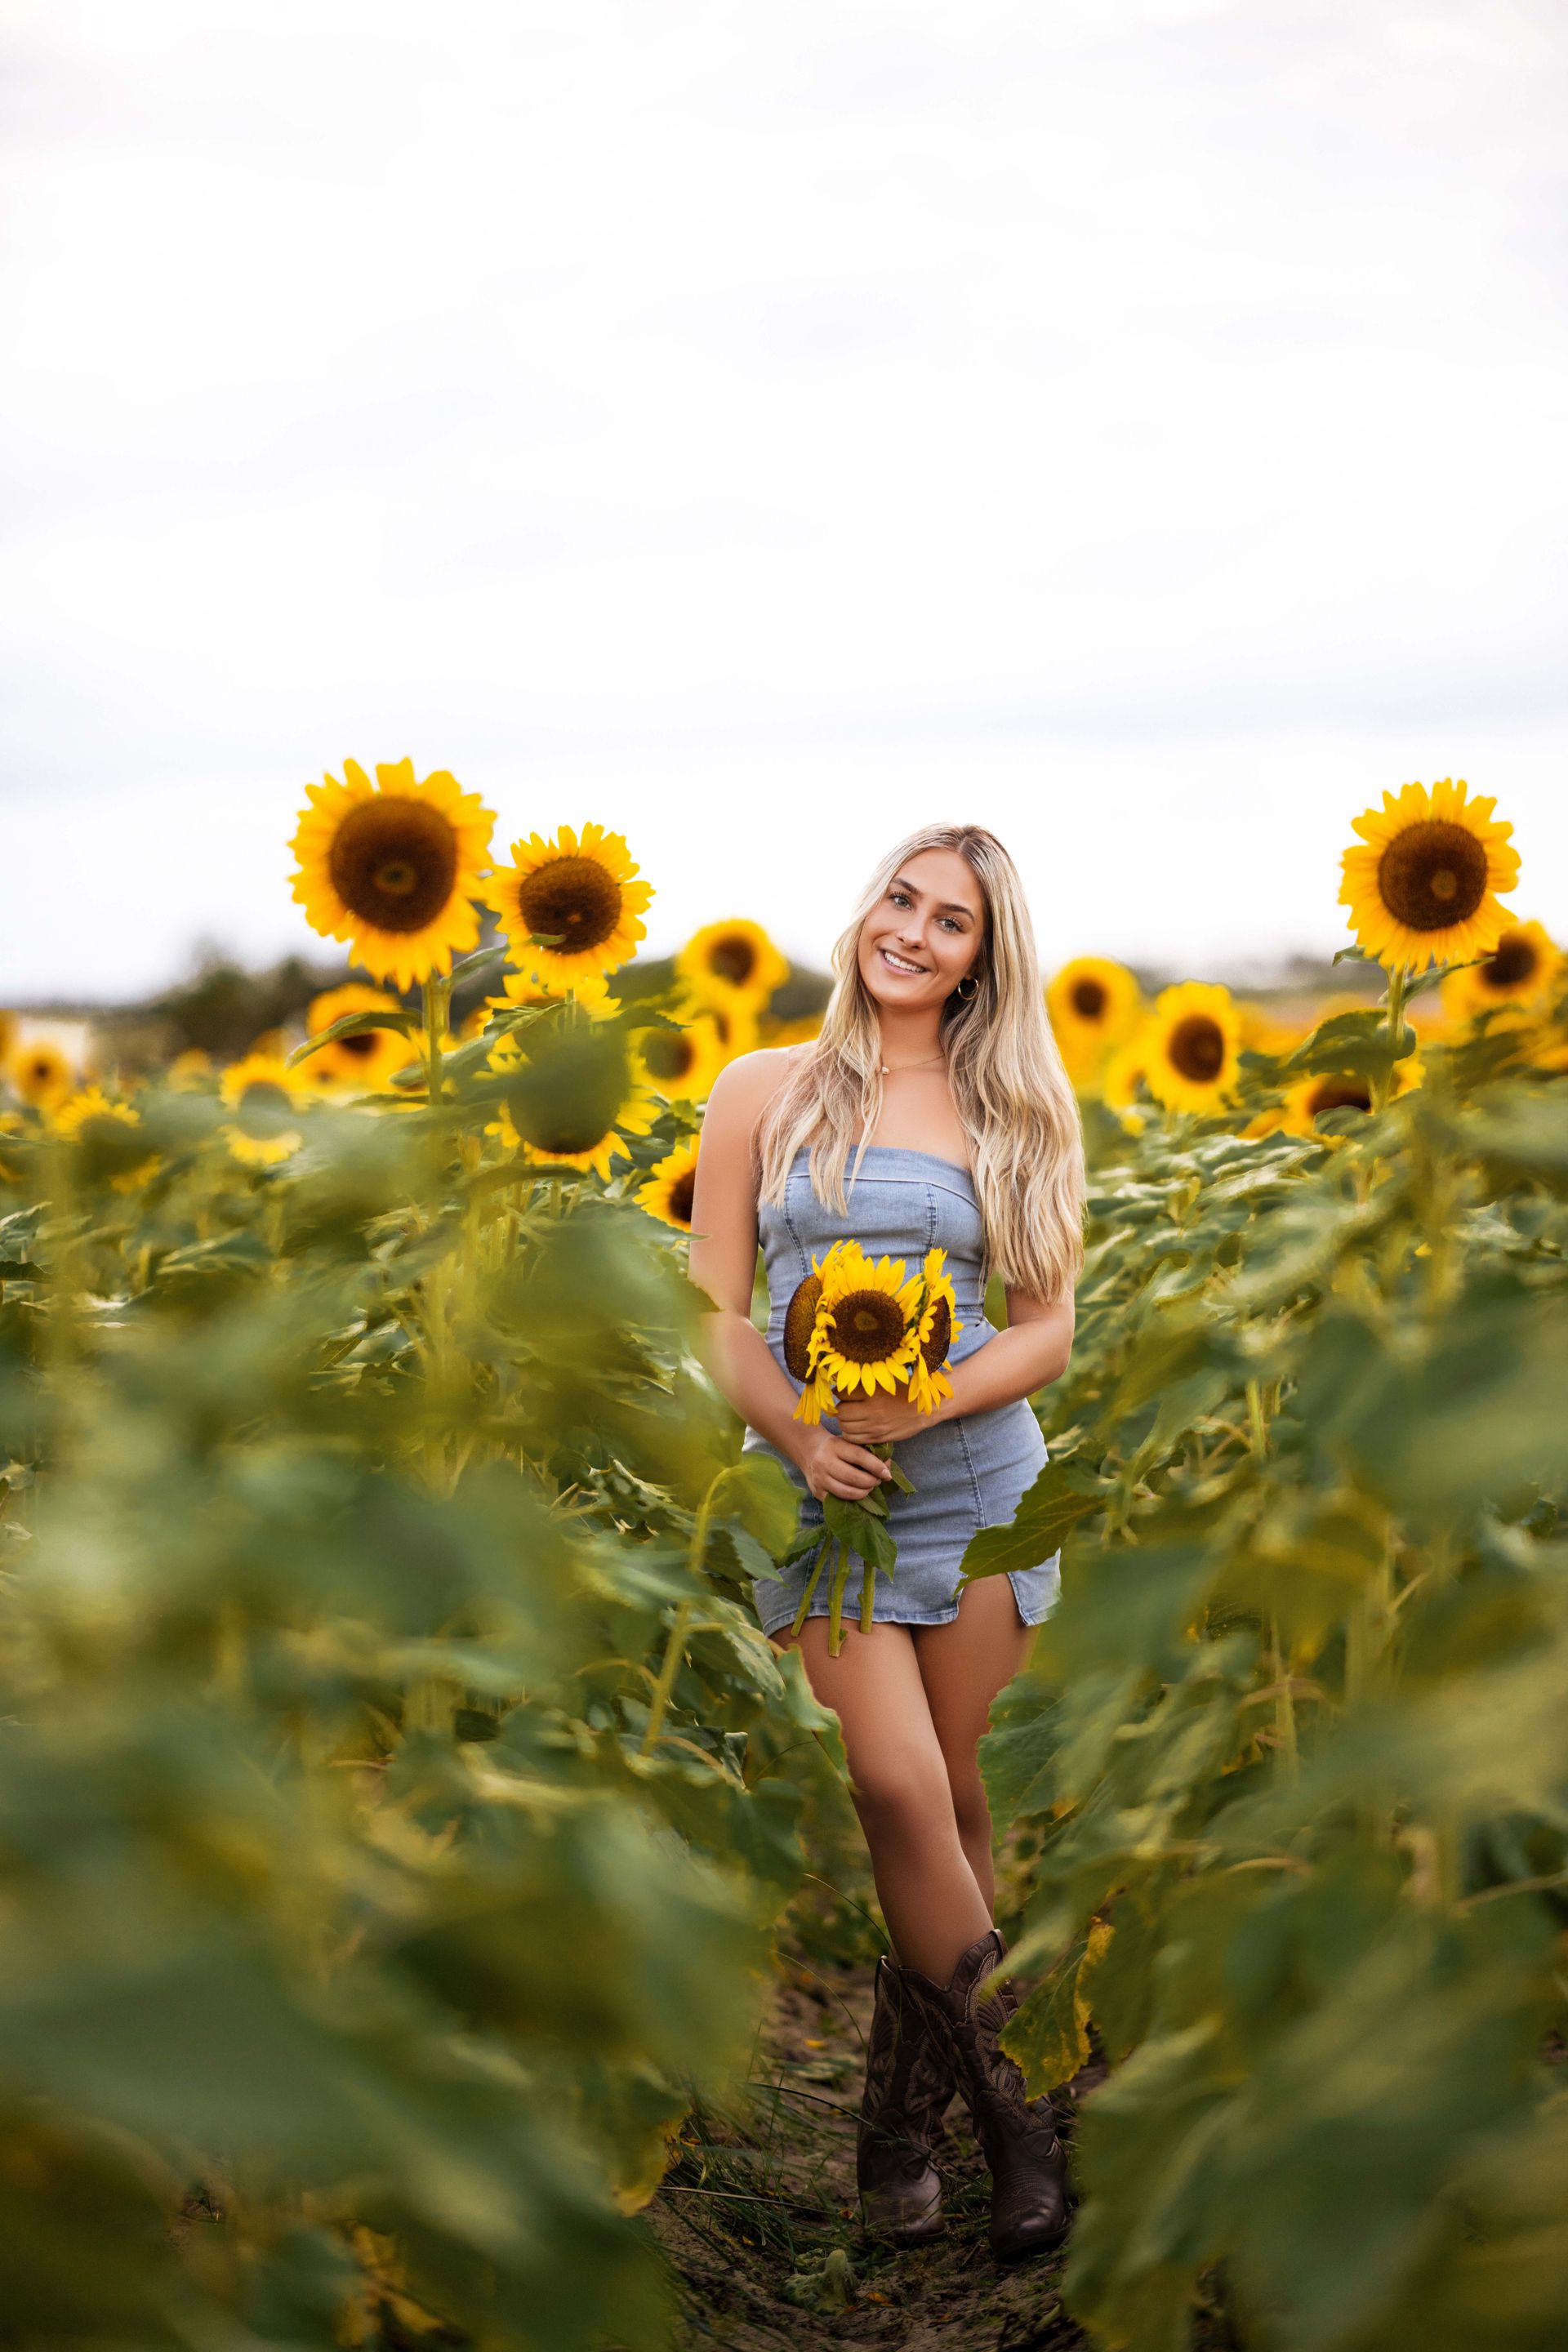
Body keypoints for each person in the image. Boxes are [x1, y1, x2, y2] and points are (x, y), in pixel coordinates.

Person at [688, 822, 1085, 2263]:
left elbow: (1042, 1332)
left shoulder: (1018, 1108)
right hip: (827, 1500)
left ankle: (892, 2136)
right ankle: (1024, 2125)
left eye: (953, 921)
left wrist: (928, 1400)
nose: (913, 932)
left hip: (976, 1488)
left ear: (988, 955)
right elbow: (719, 1312)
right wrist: (798, 1434)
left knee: (962, 1810)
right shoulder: (761, 1091)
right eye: (901, 900)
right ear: (868, 910)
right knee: (896, 1792)